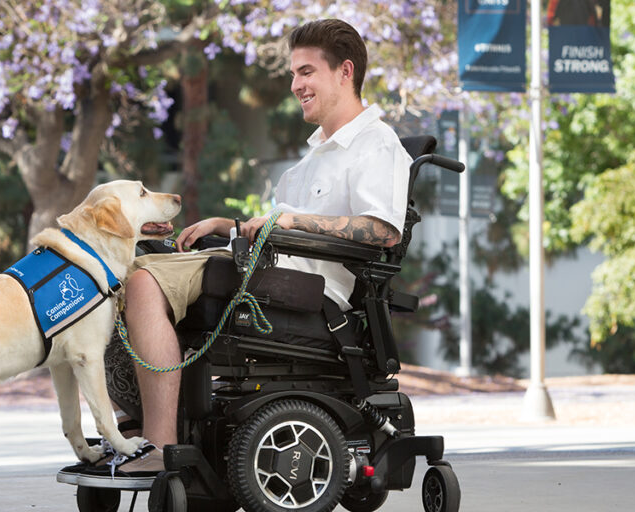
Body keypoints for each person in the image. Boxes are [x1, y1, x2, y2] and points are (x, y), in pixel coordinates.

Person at [76, 18, 413, 486]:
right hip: (271, 274)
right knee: (118, 272)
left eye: (306, 72)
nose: (295, 85)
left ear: (345, 72)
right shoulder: (314, 157)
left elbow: (382, 231)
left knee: (142, 280)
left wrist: (293, 220)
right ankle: (130, 428)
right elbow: (274, 230)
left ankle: (158, 446)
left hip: (312, 295)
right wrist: (228, 226)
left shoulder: (376, 145)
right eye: (294, 74)